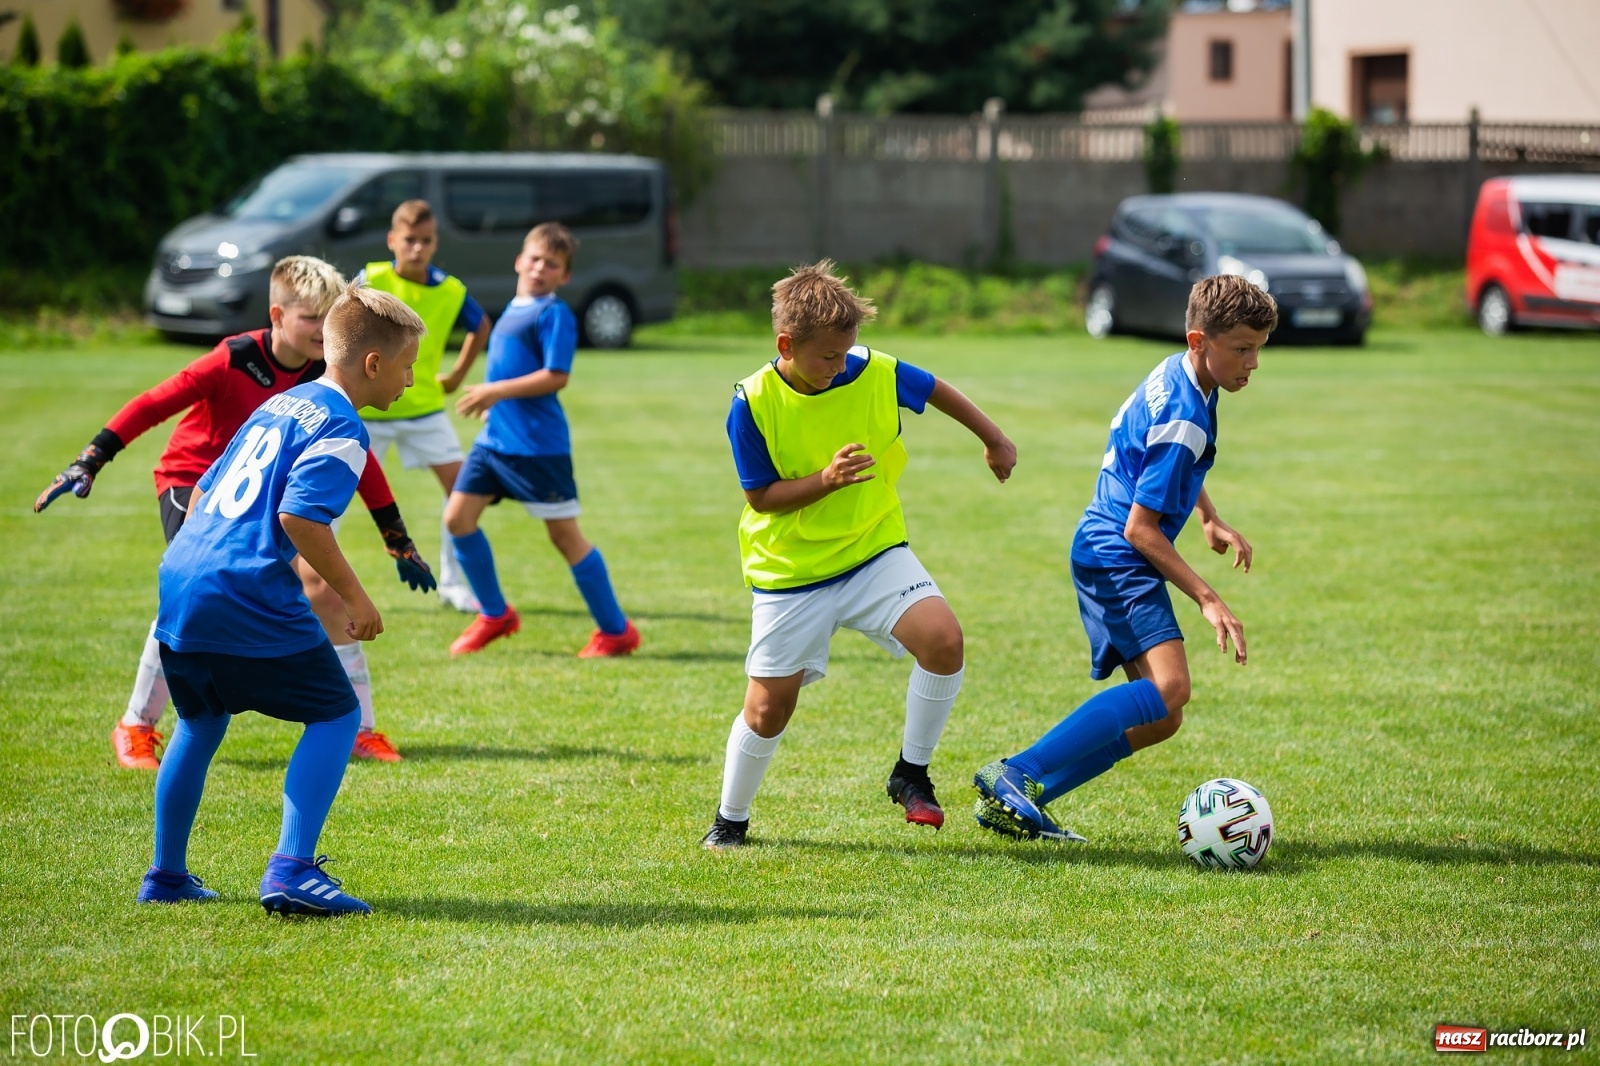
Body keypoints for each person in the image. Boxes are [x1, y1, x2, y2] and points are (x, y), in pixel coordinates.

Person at [33, 257, 434, 768]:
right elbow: (155, 402)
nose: (320, 328)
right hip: (195, 486)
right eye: (310, 316)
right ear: (277, 315)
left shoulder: (325, 374)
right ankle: (136, 723)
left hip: (262, 498)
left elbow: (358, 459)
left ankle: (360, 728)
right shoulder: (235, 357)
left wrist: (394, 533)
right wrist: (91, 457)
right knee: (195, 594)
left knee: (327, 592)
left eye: (326, 316)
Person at [701, 260, 1018, 850]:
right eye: (827, 357)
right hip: (792, 572)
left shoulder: (871, 370)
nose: (840, 365)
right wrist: (826, 480)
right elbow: (761, 497)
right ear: (786, 346)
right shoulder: (752, 402)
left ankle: (911, 773)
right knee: (768, 711)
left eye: (846, 353)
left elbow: (934, 388)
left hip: (873, 550)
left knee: (944, 641)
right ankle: (730, 821)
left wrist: (993, 437)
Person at [134, 280, 425, 913]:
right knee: (337, 714)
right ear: (373, 363)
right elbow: (300, 518)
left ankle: (166, 876)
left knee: (200, 722)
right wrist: (356, 598)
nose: (410, 381)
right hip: (243, 590)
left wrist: (211, 558)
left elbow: (204, 491)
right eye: (407, 367)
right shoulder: (344, 427)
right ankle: (292, 869)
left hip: (182, 576)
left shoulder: (280, 404)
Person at [972, 274, 1276, 842]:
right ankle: (1017, 771)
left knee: (1163, 718)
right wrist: (1208, 598)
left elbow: (1164, 459)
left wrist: (1207, 514)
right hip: (1118, 551)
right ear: (1199, 340)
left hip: (1106, 545)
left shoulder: (1183, 374)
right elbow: (1141, 529)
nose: (1252, 363)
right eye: (1242, 349)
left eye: (1258, 349)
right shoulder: (1186, 414)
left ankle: (1021, 801)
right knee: (1172, 689)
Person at [443, 222, 640, 658]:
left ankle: (616, 631)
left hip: (537, 449)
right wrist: (497, 406)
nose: (539, 268)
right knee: (457, 519)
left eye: (551, 264)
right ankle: (494, 615)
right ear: (519, 261)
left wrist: (495, 392)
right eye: (534, 259)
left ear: (564, 276)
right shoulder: (514, 308)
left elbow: (556, 376)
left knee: (565, 538)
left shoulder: (553, 314)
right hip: (494, 443)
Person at [355, 199, 492, 614]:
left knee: (462, 491)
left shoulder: (451, 290)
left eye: (426, 241)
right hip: (368, 412)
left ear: (435, 244)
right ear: (392, 240)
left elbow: (481, 325)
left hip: (425, 410)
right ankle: (308, 582)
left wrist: (457, 375)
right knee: (328, 492)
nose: (417, 248)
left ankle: (452, 584)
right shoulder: (371, 278)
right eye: (409, 239)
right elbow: (338, 320)